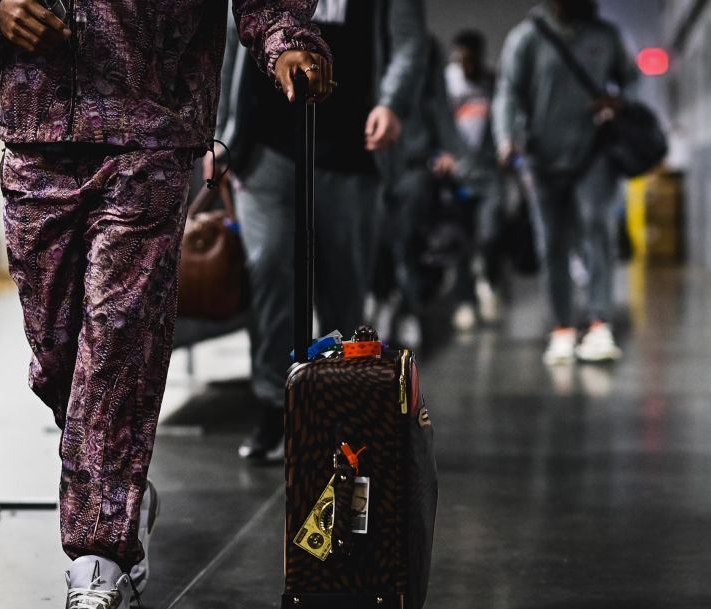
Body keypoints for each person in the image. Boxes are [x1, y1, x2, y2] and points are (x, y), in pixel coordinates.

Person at [0, 0, 332, 609]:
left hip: (154, 118)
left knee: (117, 344)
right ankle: (118, 489)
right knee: (60, 358)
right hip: (39, 117)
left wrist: (287, 38)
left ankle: (99, 564)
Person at [215, 0, 427, 464]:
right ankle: (275, 405)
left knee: (343, 289)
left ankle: (339, 414)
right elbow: (233, 38)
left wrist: (391, 104)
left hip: (352, 151)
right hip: (267, 148)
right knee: (269, 267)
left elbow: (409, 45)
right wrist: (224, 135)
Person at [492, 0, 638, 364]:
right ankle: (561, 328)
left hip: (594, 154)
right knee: (552, 243)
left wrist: (621, 102)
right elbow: (508, 92)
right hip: (543, 159)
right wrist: (506, 138)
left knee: (597, 231)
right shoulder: (526, 39)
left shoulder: (605, 37)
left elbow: (631, 78)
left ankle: (599, 323)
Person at [371, 35, 462, 349]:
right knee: (378, 244)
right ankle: (386, 303)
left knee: (408, 242)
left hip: (415, 159)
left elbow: (438, 98)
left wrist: (449, 149)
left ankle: (410, 309)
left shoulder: (424, 46)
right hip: (373, 161)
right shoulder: (365, 32)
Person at [444, 29, 504, 332]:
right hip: (457, 176)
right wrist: (441, 156)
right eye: (459, 59)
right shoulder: (446, 85)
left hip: (490, 174)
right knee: (460, 242)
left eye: (469, 59)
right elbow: (437, 122)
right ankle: (464, 301)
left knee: (490, 234)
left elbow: (504, 121)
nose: (463, 65)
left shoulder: (493, 84)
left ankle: (489, 281)